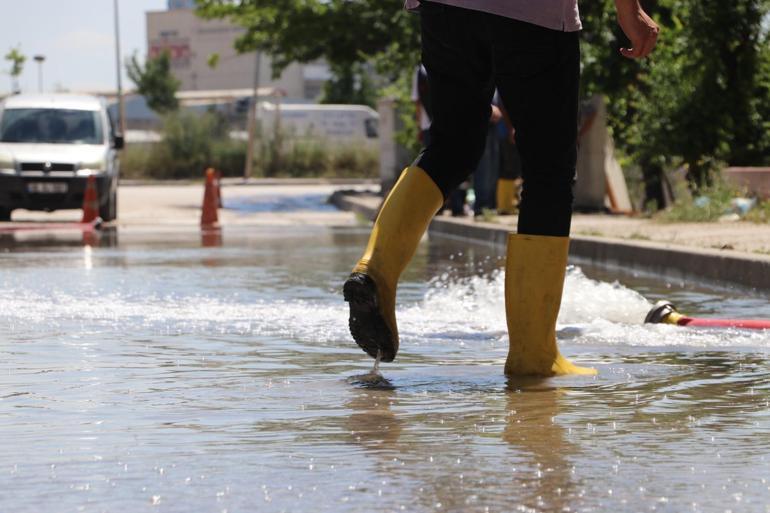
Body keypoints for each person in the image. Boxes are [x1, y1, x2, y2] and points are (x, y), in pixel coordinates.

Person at [344, 0, 659, 376]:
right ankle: (534, 354)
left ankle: (375, 270)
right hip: (534, 14)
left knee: (450, 146)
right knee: (548, 170)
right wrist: (629, 8)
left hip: (445, 9)